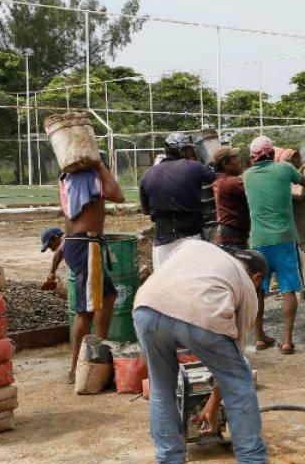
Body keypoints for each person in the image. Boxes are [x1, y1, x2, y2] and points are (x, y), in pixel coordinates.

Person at [132, 242, 287, 464]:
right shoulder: (246, 287)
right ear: (257, 277)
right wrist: (214, 404)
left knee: (161, 388)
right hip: (200, 312)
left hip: (147, 307)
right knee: (240, 385)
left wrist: (213, 405)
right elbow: (234, 369)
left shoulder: (196, 247)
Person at [243, 135, 305, 354]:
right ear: (273, 154)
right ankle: (286, 341)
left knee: (258, 290)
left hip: (259, 242)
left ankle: (259, 337)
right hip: (284, 239)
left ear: (252, 158)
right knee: (288, 288)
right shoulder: (284, 169)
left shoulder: (247, 176)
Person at [59, 160, 125, 384]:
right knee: (85, 311)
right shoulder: (87, 176)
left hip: (82, 244)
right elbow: (118, 195)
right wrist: (100, 167)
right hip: (85, 244)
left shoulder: (70, 178)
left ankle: (99, 352)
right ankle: (76, 368)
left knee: (108, 296)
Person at [140, 133, 216, 269]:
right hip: (191, 238)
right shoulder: (195, 167)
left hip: (162, 241)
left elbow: (146, 211)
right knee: (194, 278)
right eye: (189, 150)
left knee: (164, 279)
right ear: (182, 151)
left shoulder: (147, 174)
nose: (191, 153)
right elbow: (215, 177)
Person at [275, 147, 305, 332]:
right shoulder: (290, 182)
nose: (295, 162)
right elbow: (299, 193)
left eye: (296, 158)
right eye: (291, 160)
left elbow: (303, 190)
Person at [211, 146, 250, 251]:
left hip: (227, 234)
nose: (239, 160)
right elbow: (257, 192)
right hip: (234, 237)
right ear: (225, 164)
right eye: (234, 158)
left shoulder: (219, 180)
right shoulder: (232, 182)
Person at [39, 226, 64, 291]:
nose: (52, 250)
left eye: (50, 245)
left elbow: (59, 251)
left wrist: (52, 272)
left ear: (56, 238)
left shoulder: (68, 239)